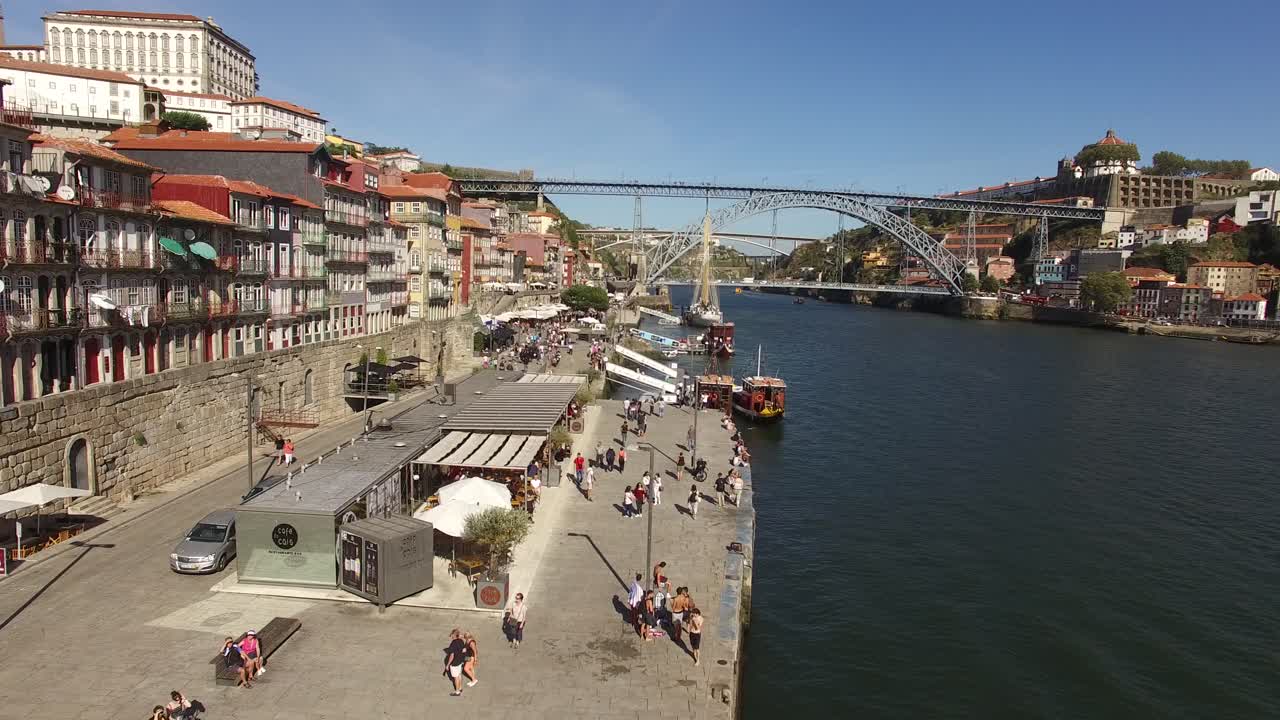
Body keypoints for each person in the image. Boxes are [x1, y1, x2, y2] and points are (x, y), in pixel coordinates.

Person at [445, 629, 467, 696]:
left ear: (453, 635)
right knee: (459, 675)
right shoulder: (461, 641)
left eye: (451, 635)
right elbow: (464, 649)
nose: (451, 636)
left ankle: (457, 692)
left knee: (456, 677)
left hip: (455, 663)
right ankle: (460, 688)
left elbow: (452, 656)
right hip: (460, 661)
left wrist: (448, 665)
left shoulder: (453, 644)